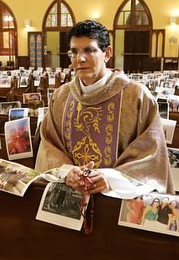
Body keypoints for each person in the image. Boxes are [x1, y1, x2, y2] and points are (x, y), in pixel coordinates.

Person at [36, 20, 171, 194]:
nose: (80, 59)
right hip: (70, 194)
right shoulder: (60, 97)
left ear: (107, 53)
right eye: (74, 52)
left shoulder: (137, 96)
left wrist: (110, 178)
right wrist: (67, 171)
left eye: (89, 50)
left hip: (118, 199)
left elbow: (151, 155)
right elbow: (49, 146)